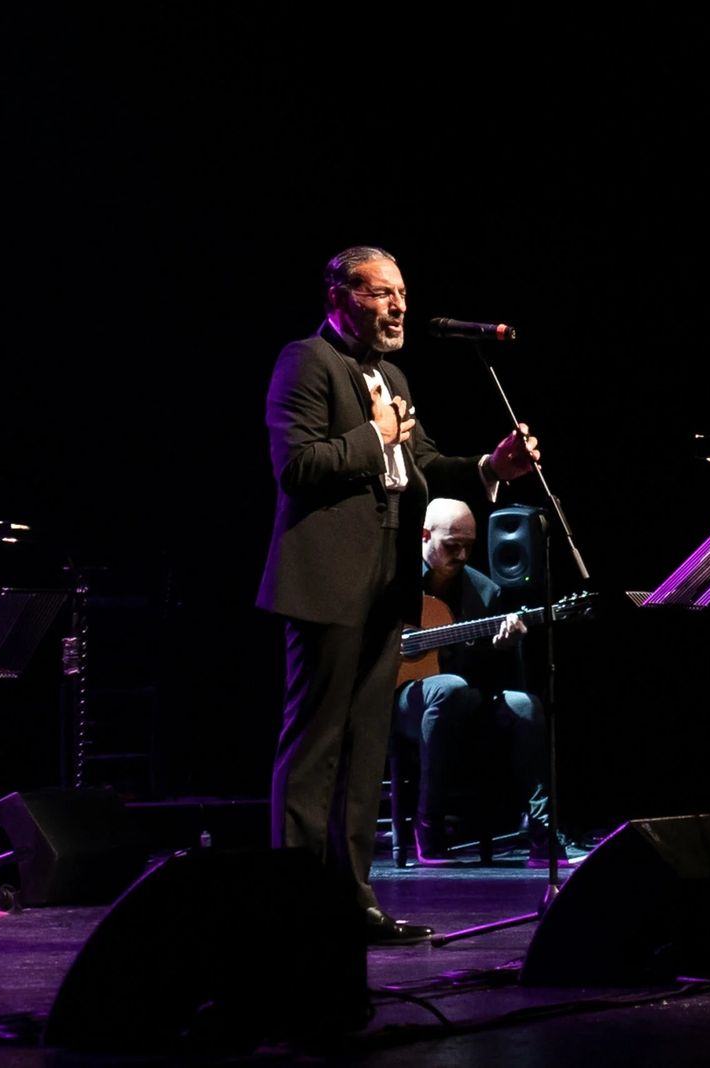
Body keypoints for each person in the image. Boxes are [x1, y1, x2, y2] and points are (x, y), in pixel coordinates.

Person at [256, 246, 538, 945]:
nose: (398, 307)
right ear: (339, 296)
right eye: (381, 294)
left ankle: (353, 903)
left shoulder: (394, 376)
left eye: (402, 294)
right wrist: (372, 435)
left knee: (364, 756)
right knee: (315, 748)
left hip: (387, 585)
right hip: (327, 583)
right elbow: (297, 466)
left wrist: (490, 466)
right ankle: (293, 905)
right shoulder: (305, 362)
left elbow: (424, 465)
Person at [394, 498, 574, 866]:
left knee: (525, 705)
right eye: (452, 545)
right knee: (449, 688)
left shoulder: (486, 592)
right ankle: (429, 824)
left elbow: (492, 676)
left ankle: (542, 833)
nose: (462, 555)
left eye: (469, 546)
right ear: (425, 535)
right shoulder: (394, 581)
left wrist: (502, 647)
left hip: (465, 702)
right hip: (401, 702)